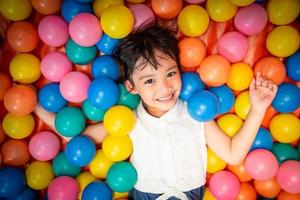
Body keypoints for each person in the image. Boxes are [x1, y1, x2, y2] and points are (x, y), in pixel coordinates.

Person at [35, 25, 278, 200]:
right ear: (131, 87)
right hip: (145, 194)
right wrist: (33, 106)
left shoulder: (196, 114)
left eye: (171, 74)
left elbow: (234, 154)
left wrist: (258, 108)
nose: (165, 87)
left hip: (191, 194)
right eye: (149, 81)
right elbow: (77, 135)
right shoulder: (127, 120)